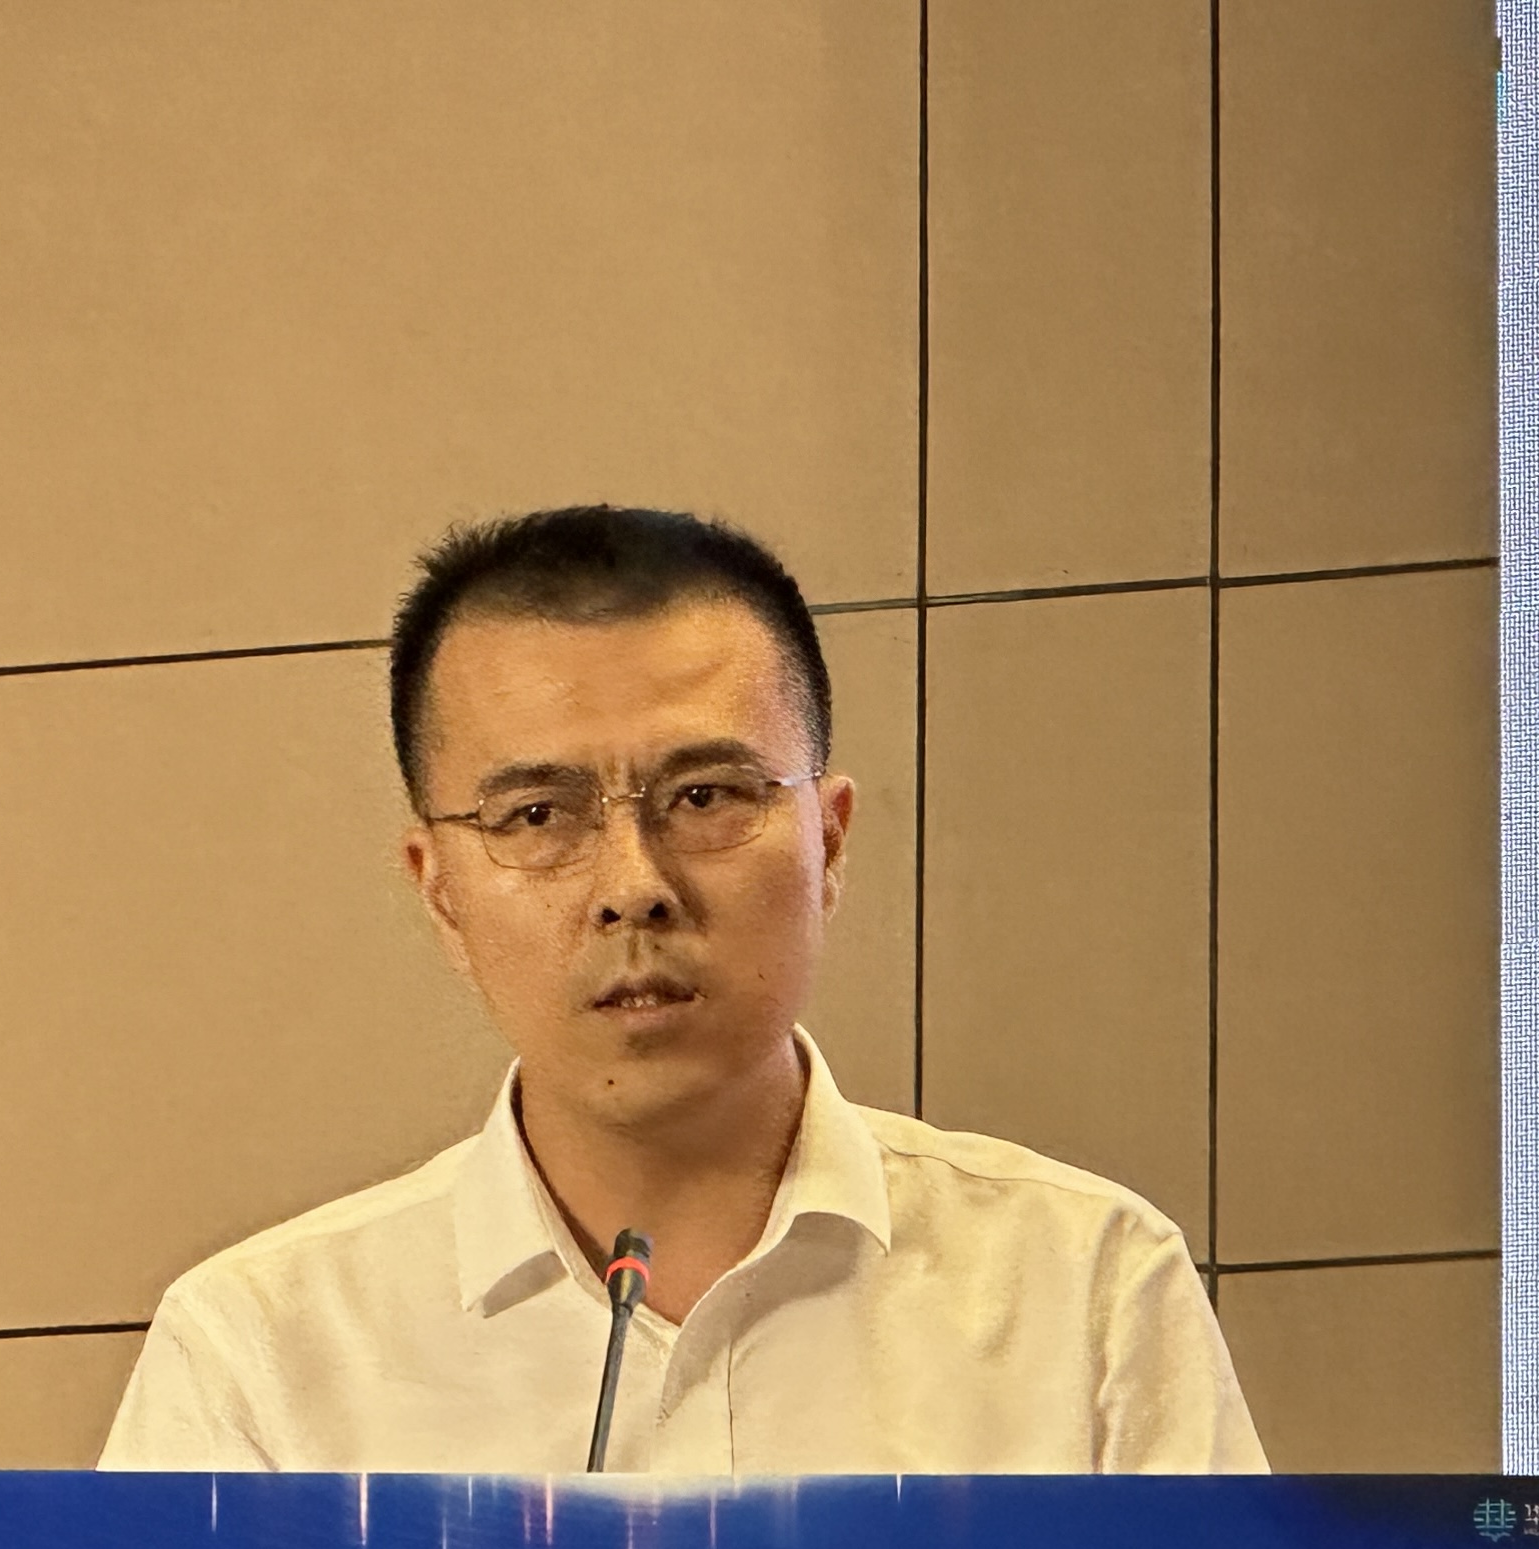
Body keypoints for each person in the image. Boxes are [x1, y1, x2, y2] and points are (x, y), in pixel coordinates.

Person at [101, 505, 1265, 1476]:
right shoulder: (260, 1356)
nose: (632, 888)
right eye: (536, 817)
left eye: (705, 798)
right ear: (440, 890)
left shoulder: (1081, 1288)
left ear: (828, 843)